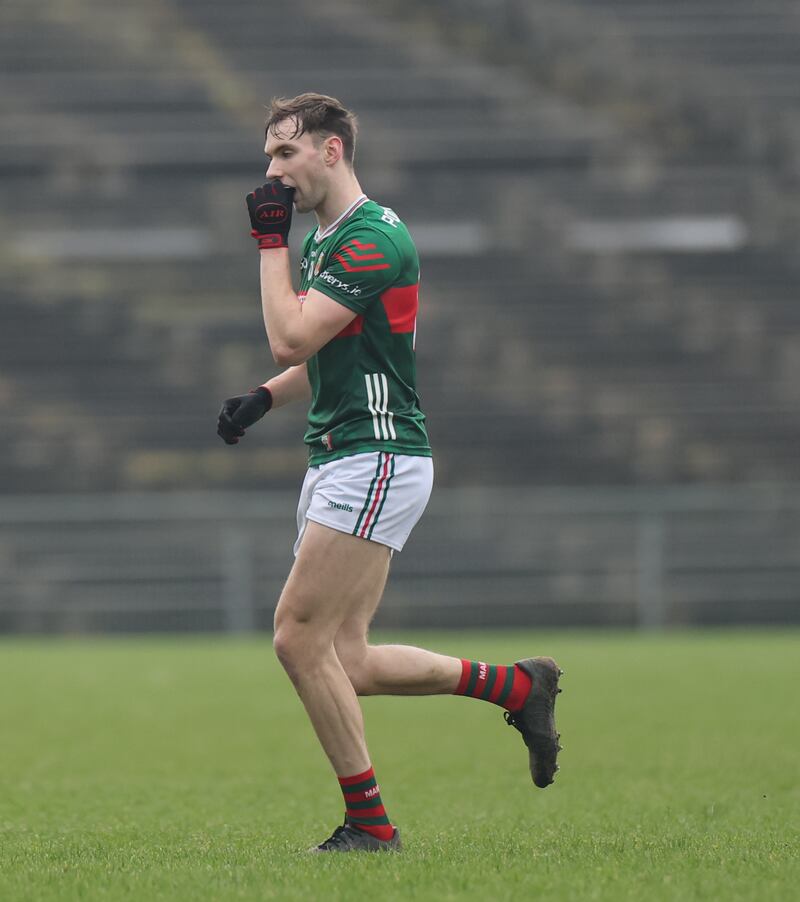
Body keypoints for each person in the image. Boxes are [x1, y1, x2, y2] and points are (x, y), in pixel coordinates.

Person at [217, 93, 562, 853]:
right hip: (347, 453)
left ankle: (371, 826)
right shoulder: (329, 240)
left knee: (296, 640)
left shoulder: (371, 239)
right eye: (268, 156)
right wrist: (265, 399)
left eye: (285, 153)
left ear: (331, 151)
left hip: (376, 455)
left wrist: (266, 243)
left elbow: (290, 336)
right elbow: (324, 354)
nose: (272, 172)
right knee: (348, 660)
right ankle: (515, 686)